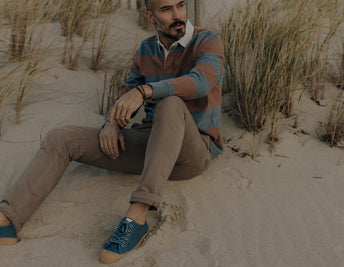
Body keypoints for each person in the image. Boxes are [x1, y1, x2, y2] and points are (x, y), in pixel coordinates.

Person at [0, 0, 223, 264]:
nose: (177, 15)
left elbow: (201, 83)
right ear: (150, 16)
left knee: (170, 103)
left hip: (192, 152)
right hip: (152, 146)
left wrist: (147, 91)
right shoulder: (145, 50)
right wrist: (112, 123)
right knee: (60, 138)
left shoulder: (207, 40)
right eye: (166, 9)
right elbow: (127, 91)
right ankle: (7, 219)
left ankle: (137, 216)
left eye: (181, 5)